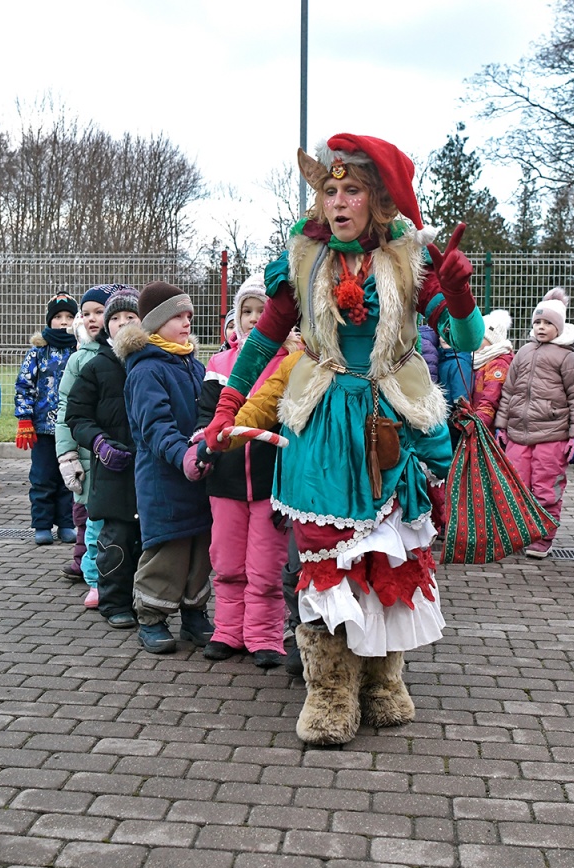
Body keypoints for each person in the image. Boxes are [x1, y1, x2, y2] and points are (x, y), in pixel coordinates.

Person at [203, 133, 483, 746]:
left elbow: (465, 340)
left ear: (377, 199)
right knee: (325, 555)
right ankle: (330, 691)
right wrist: (227, 405)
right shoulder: (302, 260)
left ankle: (383, 682)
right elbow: (263, 340)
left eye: (351, 190)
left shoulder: (410, 259)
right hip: (324, 422)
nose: (337, 202)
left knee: (392, 552)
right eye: (329, 192)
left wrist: (459, 293)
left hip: (396, 418)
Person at [192, 275, 298, 669]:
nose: (254, 318)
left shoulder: (291, 364)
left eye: (262, 311)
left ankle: (264, 635)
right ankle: (227, 630)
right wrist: (205, 448)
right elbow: (206, 416)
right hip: (226, 482)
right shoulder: (220, 365)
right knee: (227, 561)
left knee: (266, 564)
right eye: (247, 311)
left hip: (271, 484)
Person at [118, 281, 215, 654]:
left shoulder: (194, 365)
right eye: (177, 316)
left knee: (200, 547)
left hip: (199, 475)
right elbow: (155, 427)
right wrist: (183, 456)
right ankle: (152, 617)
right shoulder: (146, 370)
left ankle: (194, 612)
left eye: (189, 315)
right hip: (163, 479)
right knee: (167, 549)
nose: (187, 322)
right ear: (156, 323)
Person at [66, 287, 142, 630]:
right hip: (112, 469)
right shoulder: (96, 367)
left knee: (148, 539)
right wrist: (98, 443)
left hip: (150, 468)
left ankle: (147, 601)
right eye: (116, 318)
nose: (123, 323)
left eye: (131, 316)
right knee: (116, 540)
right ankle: (114, 602)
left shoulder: (155, 361)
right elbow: (76, 416)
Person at [494, 289, 574, 558]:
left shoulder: (567, 357)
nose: (541, 327)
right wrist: (501, 426)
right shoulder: (523, 352)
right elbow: (508, 392)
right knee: (516, 487)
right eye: (538, 322)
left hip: (552, 435)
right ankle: (520, 533)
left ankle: (543, 538)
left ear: (559, 326)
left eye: (548, 323)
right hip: (518, 435)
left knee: (547, 489)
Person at [56, 285, 127, 606]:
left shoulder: (127, 355)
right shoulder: (79, 359)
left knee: (109, 519)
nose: (92, 319)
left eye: (99, 312)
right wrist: (67, 455)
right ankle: (92, 575)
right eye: (86, 313)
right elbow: (66, 410)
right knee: (88, 517)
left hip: (116, 455)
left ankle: (107, 574)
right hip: (86, 454)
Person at [14, 291, 79, 546]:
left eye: (69, 317)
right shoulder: (38, 353)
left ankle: (66, 524)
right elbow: (24, 386)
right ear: (49, 320)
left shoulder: (80, 349)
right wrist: (25, 418)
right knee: (42, 477)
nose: (63, 322)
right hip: (42, 428)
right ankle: (42, 525)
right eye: (58, 317)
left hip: (71, 427)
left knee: (69, 476)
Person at [470, 309, 515, 431]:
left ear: (493, 340)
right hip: (478, 419)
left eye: (480, 337)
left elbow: (491, 398)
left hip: (487, 426)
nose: (475, 341)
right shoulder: (479, 359)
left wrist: (477, 423)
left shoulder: (498, 364)